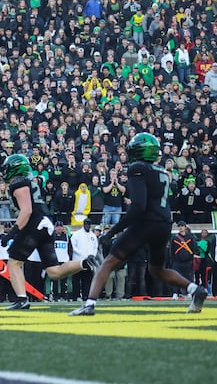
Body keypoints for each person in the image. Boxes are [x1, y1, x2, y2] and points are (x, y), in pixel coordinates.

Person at [71, 133, 208, 316]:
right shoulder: (161, 171)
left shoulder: (137, 168)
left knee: (109, 261)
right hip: (164, 223)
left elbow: (138, 206)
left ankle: (89, 304)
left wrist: (112, 232)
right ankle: (194, 289)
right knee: (157, 269)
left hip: (146, 222)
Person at [0, 154, 98, 310]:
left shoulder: (19, 183)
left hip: (35, 224)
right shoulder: (29, 182)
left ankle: (21, 299)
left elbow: (26, 211)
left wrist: (11, 233)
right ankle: (85, 263)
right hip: (45, 224)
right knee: (54, 271)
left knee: (14, 262)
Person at [70, 218, 98, 301]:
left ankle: (86, 295)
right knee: (76, 279)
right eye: (86, 224)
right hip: (78, 260)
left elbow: (95, 247)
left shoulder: (93, 236)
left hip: (89, 261)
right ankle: (76, 296)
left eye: (89, 224)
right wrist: (83, 255)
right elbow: (73, 246)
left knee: (87, 280)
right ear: (83, 224)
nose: (87, 226)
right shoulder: (77, 234)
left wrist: (92, 255)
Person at [170, 221, 196, 297]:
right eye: (179, 226)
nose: (181, 227)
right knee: (175, 278)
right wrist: (173, 261)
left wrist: (191, 260)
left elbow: (193, 249)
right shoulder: (174, 238)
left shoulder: (190, 238)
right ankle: (175, 293)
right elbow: (172, 251)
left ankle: (189, 293)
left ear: (185, 227)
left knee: (189, 278)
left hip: (188, 262)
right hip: (177, 262)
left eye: (182, 226)